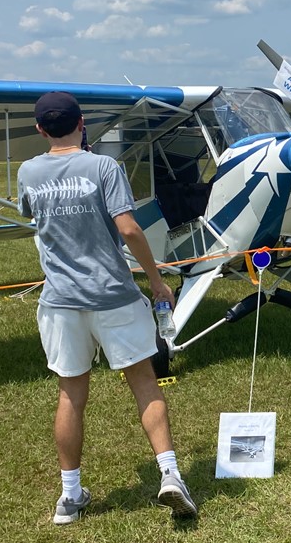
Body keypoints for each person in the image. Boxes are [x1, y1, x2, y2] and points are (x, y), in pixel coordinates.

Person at [18, 92, 198, 524]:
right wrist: (157, 281)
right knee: (145, 383)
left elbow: (32, 215)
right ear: (82, 124)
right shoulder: (104, 167)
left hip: (60, 302)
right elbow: (129, 228)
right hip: (113, 295)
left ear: (40, 129)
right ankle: (170, 474)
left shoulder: (27, 171)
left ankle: (70, 496)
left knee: (71, 394)